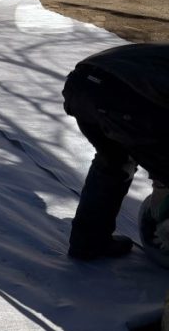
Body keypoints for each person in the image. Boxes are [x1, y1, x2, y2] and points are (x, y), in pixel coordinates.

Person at [64, 43, 169, 260]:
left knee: (112, 161)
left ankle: (89, 243)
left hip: (81, 85)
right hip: (122, 93)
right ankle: (164, 232)